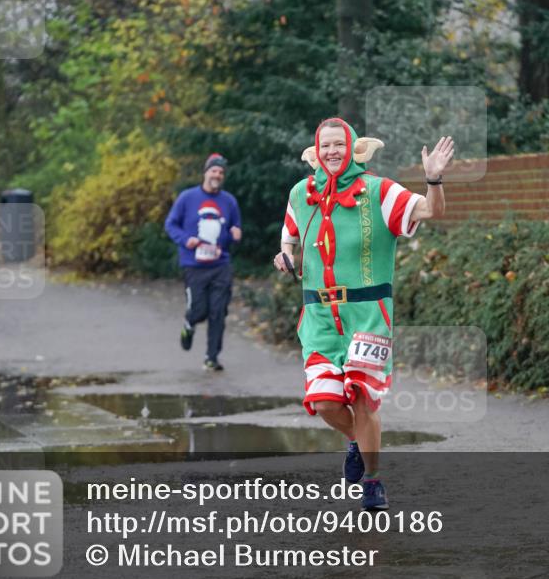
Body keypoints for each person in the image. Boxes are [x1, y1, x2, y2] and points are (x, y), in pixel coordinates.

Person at [273, 117, 453, 510]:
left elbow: (429, 211)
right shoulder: (301, 193)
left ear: (352, 148)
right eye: (326, 146)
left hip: (368, 314)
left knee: (362, 398)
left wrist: (434, 181)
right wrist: (285, 256)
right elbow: (288, 235)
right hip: (319, 315)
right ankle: (356, 441)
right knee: (324, 402)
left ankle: (373, 479)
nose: (333, 152)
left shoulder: (378, 191)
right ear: (317, 153)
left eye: (340, 144)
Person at [165, 153, 242, 371]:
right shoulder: (187, 198)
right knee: (199, 310)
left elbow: (233, 231)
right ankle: (189, 325)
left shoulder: (229, 201)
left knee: (218, 312)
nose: (217, 175)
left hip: (221, 265)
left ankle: (212, 357)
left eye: (220, 172)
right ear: (205, 173)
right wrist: (184, 240)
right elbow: (170, 224)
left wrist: (234, 235)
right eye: (213, 171)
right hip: (194, 265)